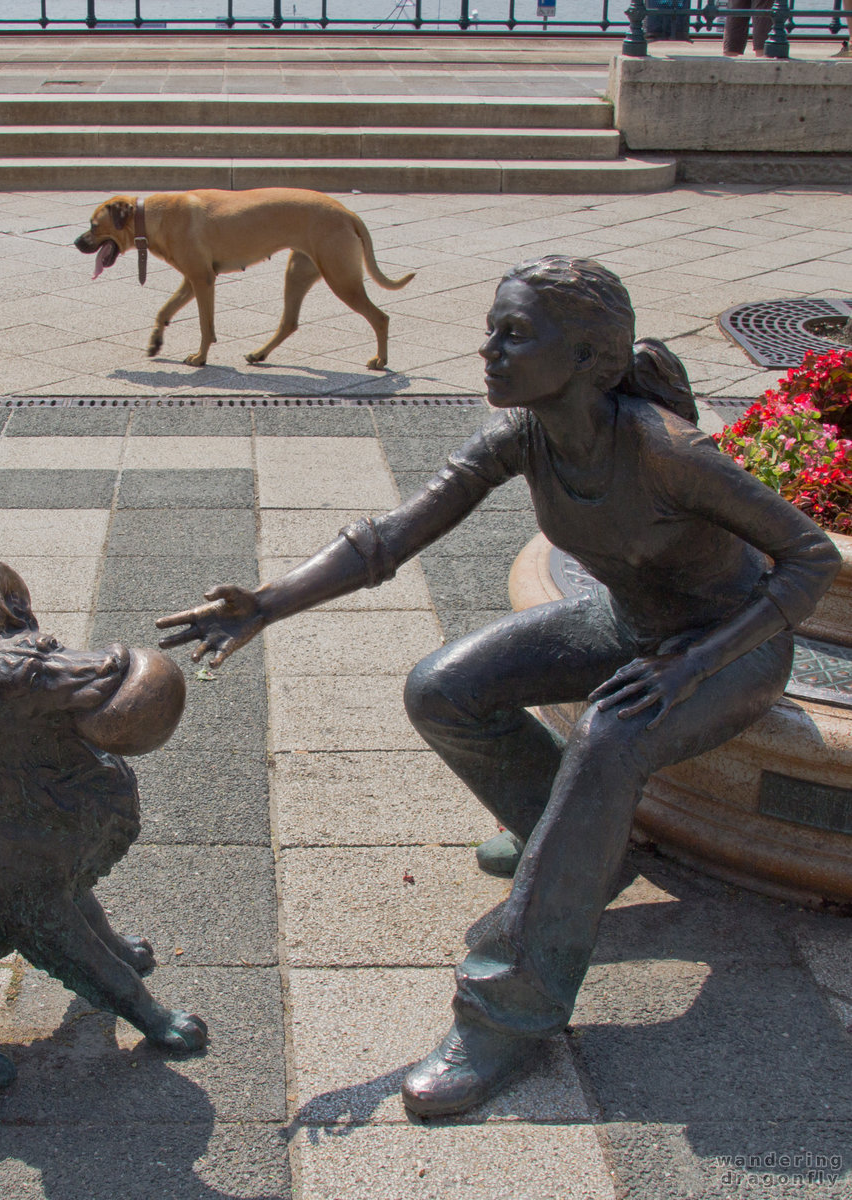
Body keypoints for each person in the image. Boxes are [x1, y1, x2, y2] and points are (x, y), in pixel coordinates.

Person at [156, 256, 839, 1117]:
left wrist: (694, 664)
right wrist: (269, 602)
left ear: (592, 358)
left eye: (513, 334)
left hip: (727, 650)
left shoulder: (669, 454)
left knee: (609, 735)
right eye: (492, 328)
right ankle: (584, 850)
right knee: (444, 687)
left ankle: (508, 1013)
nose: (487, 349)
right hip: (633, 626)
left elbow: (808, 558)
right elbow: (389, 539)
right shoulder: (525, 436)